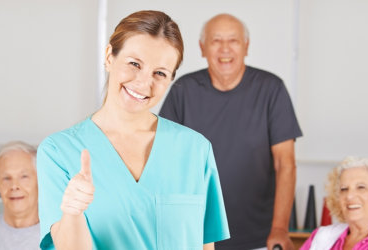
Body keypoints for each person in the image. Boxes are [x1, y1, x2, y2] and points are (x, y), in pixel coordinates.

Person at [37, 10, 230, 250]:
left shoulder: (195, 150)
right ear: (109, 57)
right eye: (134, 64)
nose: (143, 82)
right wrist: (72, 212)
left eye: (160, 73)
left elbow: (204, 245)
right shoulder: (59, 151)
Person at [159, 13, 303, 250]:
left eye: (233, 41)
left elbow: (285, 164)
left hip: (259, 238)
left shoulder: (271, 89)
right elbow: (164, 161)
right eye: (216, 41)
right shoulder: (184, 90)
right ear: (202, 48)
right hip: (197, 235)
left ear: (246, 46)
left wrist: (279, 228)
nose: (225, 49)